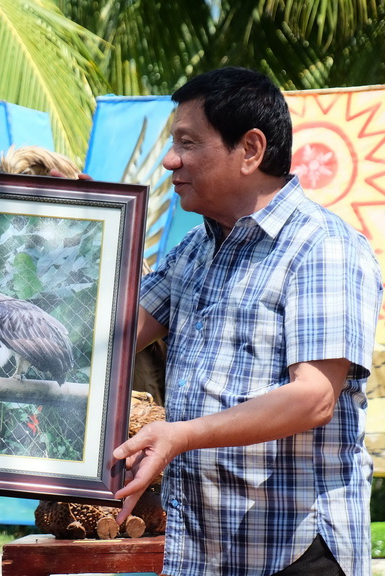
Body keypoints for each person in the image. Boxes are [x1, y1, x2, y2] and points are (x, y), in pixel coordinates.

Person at [112, 67, 382, 576]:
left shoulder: (323, 247)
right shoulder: (193, 251)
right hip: (201, 550)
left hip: (295, 551)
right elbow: (104, 335)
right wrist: (67, 221)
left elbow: (314, 397)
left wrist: (181, 434)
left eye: (187, 143)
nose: (171, 160)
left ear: (251, 149)